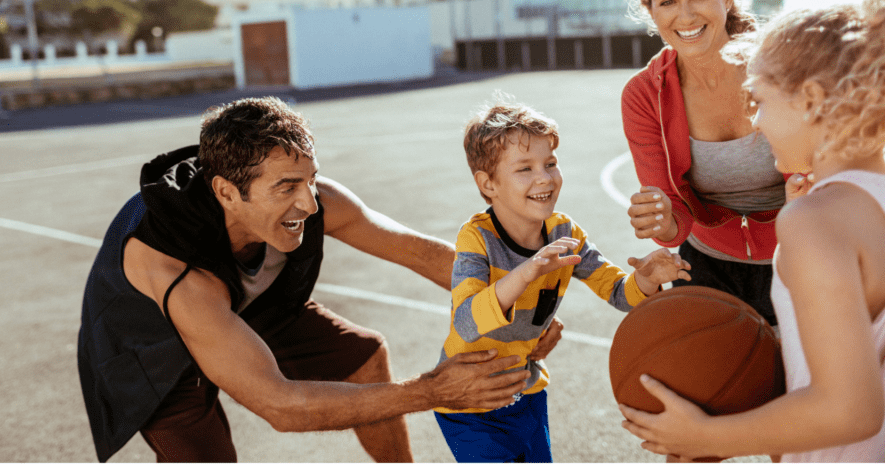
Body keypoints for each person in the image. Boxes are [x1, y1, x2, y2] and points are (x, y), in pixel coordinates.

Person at [77, 96, 545, 463]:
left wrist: (524, 313)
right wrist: (433, 391)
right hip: (152, 343)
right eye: (286, 188)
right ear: (226, 192)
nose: (309, 204)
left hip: (249, 305)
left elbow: (416, 251)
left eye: (310, 180)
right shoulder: (175, 270)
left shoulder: (314, 199)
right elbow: (279, 405)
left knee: (363, 357)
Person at [619, 0, 885, 461]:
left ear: (810, 99)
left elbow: (852, 411)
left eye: (760, 100)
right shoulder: (869, 200)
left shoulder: (815, 222)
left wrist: (705, 438)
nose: (757, 123)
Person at [434, 97, 691, 462]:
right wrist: (528, 271)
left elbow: (620, 293)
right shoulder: (477, 238)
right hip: (467, 401)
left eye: (550, 163)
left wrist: (646, 279)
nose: (544, 177)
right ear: (488, 184)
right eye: (525, 168)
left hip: (526, 391)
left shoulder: (565, 233)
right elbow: (465, 320)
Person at [622, 0, 799, 328]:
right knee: (708, 386)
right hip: (707, 263)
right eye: (667, 2)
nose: (685, 16)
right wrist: (664, 220)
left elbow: (829, 177)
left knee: (808, 385)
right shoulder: (643, 95)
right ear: (650, 8)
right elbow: (672, 224)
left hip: (799, 250)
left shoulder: (784, 68)